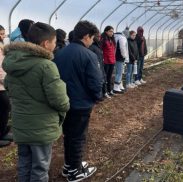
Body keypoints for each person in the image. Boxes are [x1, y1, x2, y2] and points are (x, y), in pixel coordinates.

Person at [3, 22, 70, 182]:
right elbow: (59, 100)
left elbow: (8, 87)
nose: (55, 45)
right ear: (46, 44)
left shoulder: (13, 63)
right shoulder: (46, 66)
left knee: (24, 163)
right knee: (40, 168)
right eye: (54, 42)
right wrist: (66, 106)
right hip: (41, 127)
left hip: (21, 124)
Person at [55, 20, 103, 181]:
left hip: (63, 102)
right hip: (80, 104)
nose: (93, 40)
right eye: (92, 37)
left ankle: (70, 165)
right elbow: (96, 82)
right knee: (78, 137)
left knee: (69, 134)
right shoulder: (89, 55)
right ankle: (75, 171)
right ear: (86, 36)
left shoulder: (60, 53)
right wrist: (97, 97)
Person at [0, 25, 12, 147]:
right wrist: (6, 82)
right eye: (1, 34)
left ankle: (2, 132)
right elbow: (0, 70)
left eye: (3, 34)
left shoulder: (2, 47)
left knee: (4, 109)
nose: (2, 36)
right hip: (1, 85)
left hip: (2, 85)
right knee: (4, 107)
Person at [89, 32, 106, 101]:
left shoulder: (98, 45)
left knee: (100, 79)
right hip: (96, 66)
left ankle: (100, 95)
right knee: (96, 80)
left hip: (100, 64)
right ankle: (96, 96)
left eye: (100, 36)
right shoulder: (91, 46)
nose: (99, 38)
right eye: (97, 36)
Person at [101, 26, 116, 96]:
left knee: (110, 76)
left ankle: (110, 90)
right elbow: (100, 50)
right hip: (106, 61)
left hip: (112, 60)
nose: (112, 33)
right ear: (106, 31)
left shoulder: (112, 40)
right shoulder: (103, 39)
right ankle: (104, 92)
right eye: (110, 31)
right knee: (105, 77)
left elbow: (113, 50)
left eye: (112, 31)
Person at [113, 28, 129, 93]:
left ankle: (120, 86)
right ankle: (116, 87)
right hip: (120, 57)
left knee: (118, 72)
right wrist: (125, 56)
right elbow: (123, 48)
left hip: (115, 57)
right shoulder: (122, 38)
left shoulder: (115, 37)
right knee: (119, 73)